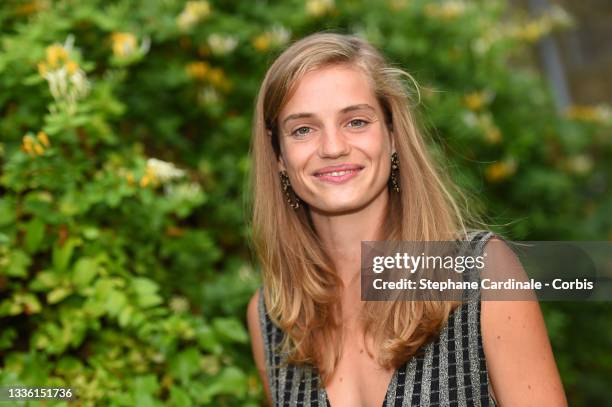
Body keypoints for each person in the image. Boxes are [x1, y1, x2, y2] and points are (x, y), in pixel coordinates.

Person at [246, 32, 567, 407]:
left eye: (356, 122)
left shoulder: (482, 274)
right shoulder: (271, 318)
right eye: (303, 129)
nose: (332, 147)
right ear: (278, 156)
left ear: (393, 134)